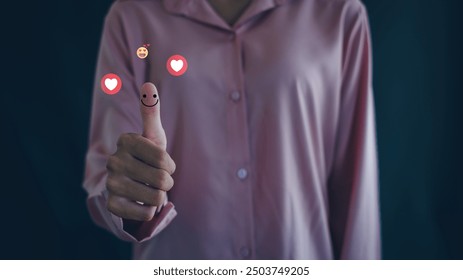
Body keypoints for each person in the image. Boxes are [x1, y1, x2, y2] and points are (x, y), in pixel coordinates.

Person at [84, 0, 381, 259]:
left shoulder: (340, 15)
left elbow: (357, 189)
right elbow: (108, 172)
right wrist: (131, 190)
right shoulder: (131, 17)